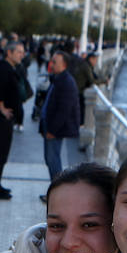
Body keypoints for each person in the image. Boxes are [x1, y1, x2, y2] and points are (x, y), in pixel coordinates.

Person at [0, 41, 27, 200]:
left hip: (4, 116)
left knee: (2, 151)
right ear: (9, 53)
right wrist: (2, 108)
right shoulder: (3, 69)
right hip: (1, 117)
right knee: (0, 151)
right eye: (18, 52)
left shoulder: (9, 68)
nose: (21, 55)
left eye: (22, 52)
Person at [40, 50, 79, 179]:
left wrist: (53, 130)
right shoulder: (57, 79)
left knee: (53, 160)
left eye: (55, 62)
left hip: (54, 129)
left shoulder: (66, 82)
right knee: (49, 159)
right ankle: (54, 191)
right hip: (49, 125)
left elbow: (64, 110)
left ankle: (57, 192)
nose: (51, 64)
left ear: (64, 65)